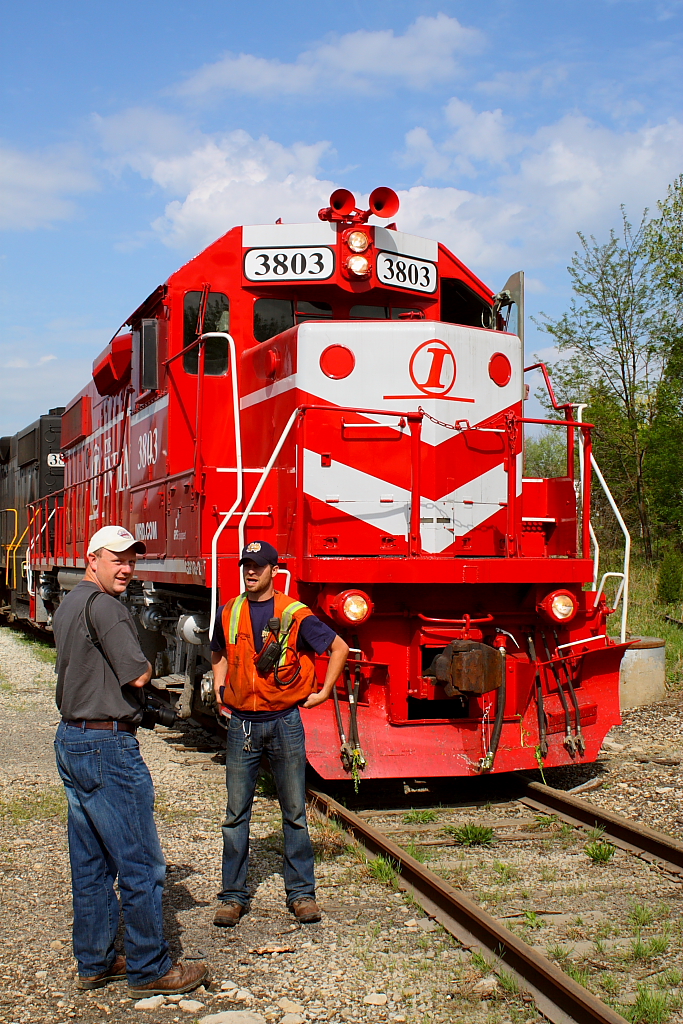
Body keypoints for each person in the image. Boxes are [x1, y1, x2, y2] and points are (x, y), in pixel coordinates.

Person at [53, 525, 207, 997]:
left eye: (131, 559)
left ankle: (94, 961)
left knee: (91, 862)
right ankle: (149, 967)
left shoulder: (69, 604)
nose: (126, 568)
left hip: (72, 739)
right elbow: (139, 674)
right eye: (116, 559)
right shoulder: (108, 608)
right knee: (141, 864)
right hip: (108, 747)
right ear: (91, 560)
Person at [211, 540, 349, 927]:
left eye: (258, 566)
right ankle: (233, 897)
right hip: (242, 723)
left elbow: (339, 647)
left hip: (285, 720)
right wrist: (221, 687)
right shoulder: (231, 610)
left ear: (274, 570)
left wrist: (323, 693)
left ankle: (302, 894)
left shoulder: (295, 613)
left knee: (294, 812)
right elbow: (217, 651)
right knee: (235, 815)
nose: (250, 572)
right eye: (246, 566)